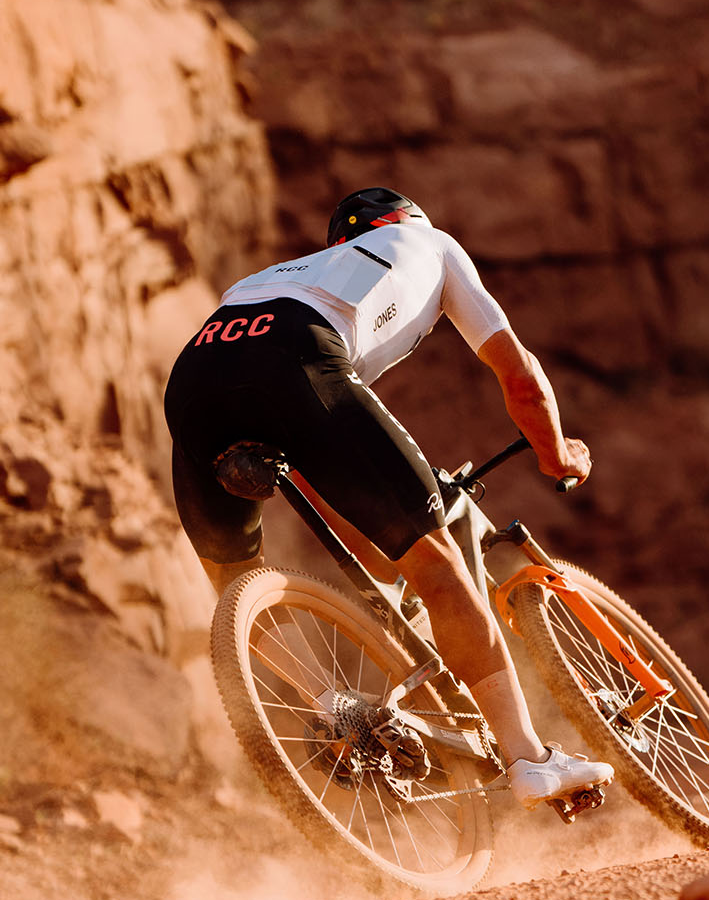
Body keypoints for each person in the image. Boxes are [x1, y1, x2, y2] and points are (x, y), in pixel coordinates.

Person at [164, 187, 614, 812]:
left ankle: (334, 712)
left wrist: (377, 543)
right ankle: (529, 759)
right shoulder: (431, 243)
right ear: (404, 219)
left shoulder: (272, 276)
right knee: (435, 565)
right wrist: (558, 453)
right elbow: (518, 374)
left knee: (234, 579)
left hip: (192, 380)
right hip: (298, 354)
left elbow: (325, 475)